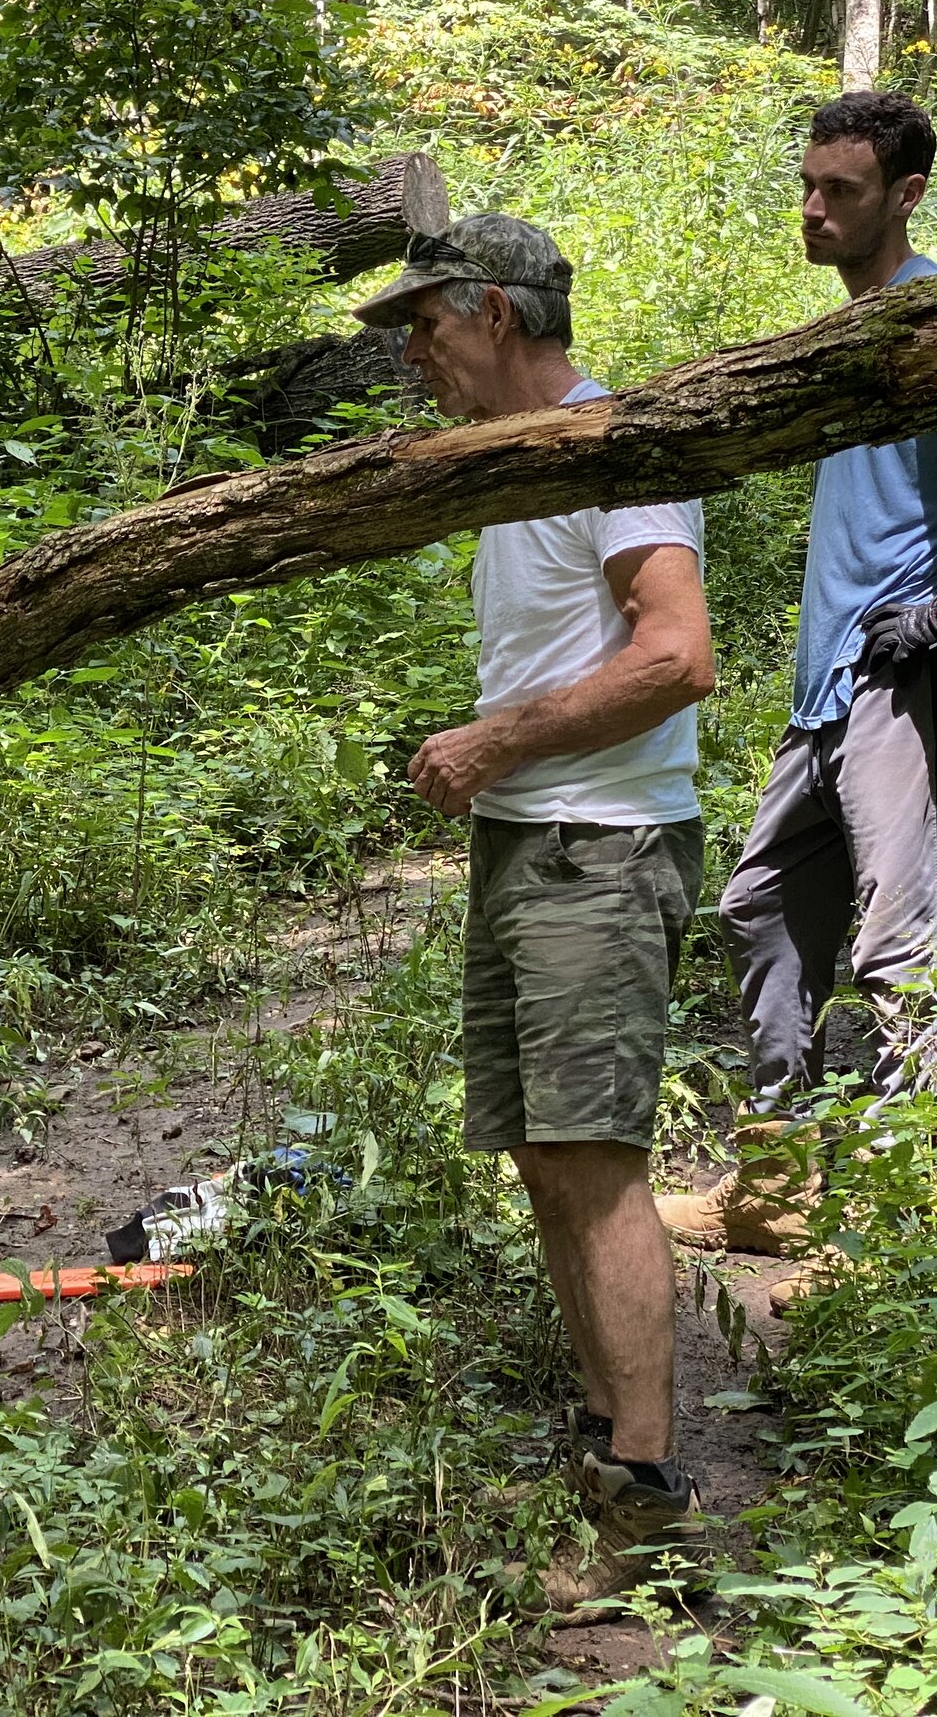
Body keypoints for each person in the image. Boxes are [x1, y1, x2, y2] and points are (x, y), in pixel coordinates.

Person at [354, 214, 716, 1612]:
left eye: (427, 328)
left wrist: (497, 740)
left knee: (595, 1153)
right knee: (547, 1157)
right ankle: (604, 1450)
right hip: (534, 843)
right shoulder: (516, 460)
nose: (415, 357)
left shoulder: (615, 447)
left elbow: (677, 655)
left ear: (495, 312)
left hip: (599, 847)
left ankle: (647, 1497)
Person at [658, 93, 937, 1277]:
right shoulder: (852, 335)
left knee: (899, 948)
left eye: (841, 190)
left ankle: (893, 1225)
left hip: (911, 679)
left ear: (906, 196)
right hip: (831, 685)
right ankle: (776, 1186)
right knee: (761, 908)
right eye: (808, 185)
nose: (814, 208)